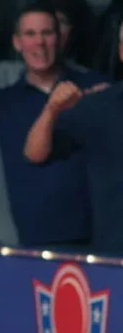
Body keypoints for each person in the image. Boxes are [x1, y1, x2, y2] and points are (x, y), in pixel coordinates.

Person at [0, 2, 108, 249]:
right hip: (33, 240)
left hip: (100, 236)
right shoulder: (5, 100)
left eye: (47, 33)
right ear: (17, 43)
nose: (39, 42)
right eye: (30, 34)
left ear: (60, 39)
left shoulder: (94, 86)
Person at [22, 21, 123, 253]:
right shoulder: (98, 106)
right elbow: (35, 153)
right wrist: (51, 110)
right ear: (121, 52)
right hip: (115, 256)